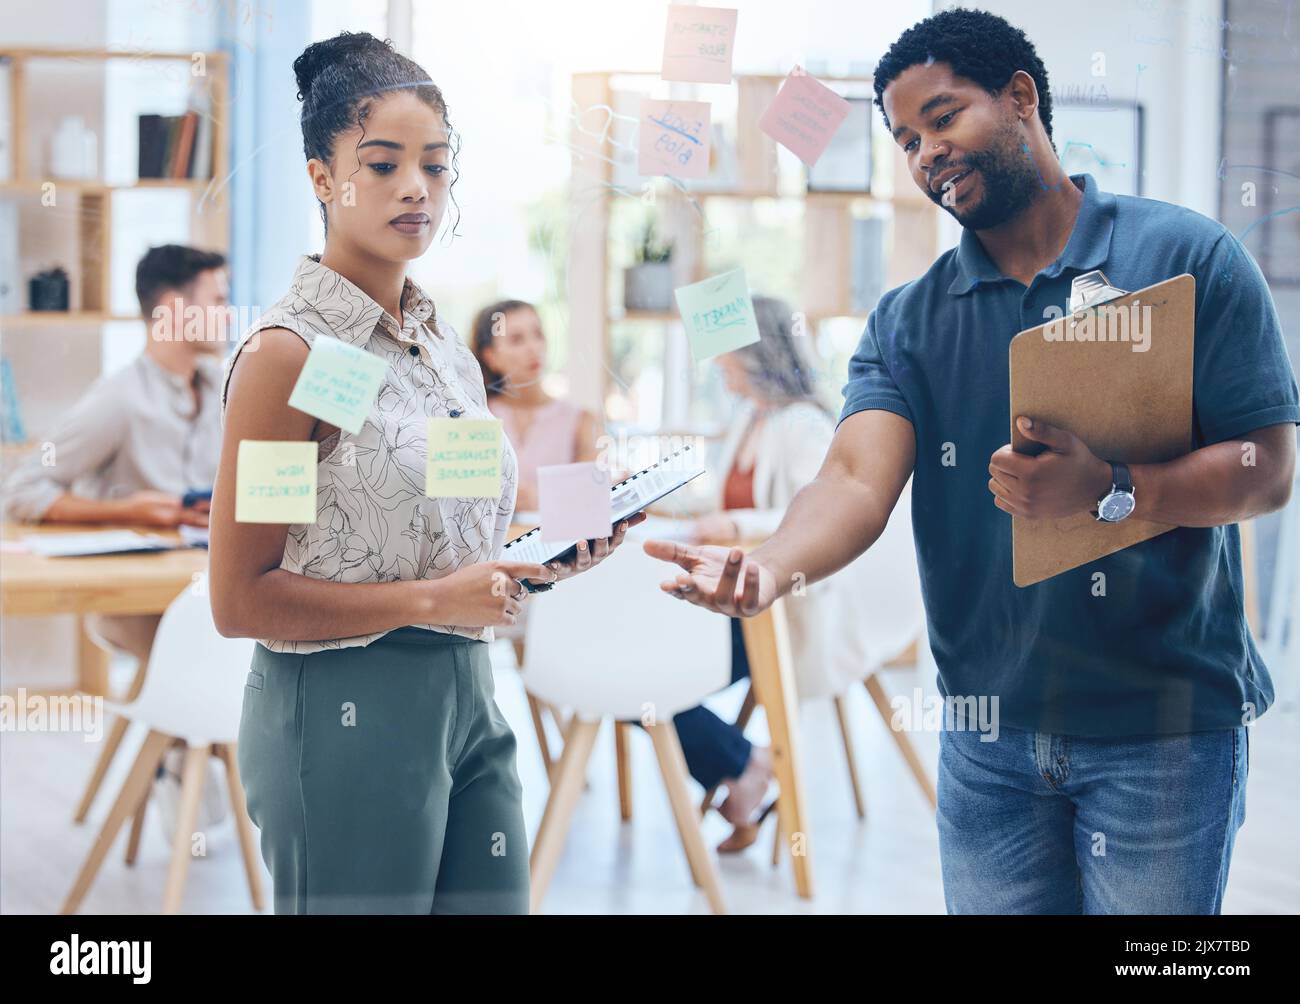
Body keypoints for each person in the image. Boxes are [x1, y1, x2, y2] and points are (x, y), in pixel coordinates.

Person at [646, 7, 1299, 914]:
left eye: (944, 118)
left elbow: (1266, 468)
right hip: (987, 733)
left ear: (1022, 96)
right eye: (907, 140)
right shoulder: (907, 322)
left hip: (1163, 731)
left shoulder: (1184, 256)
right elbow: (851, 481)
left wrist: (1112, 489)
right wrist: (771, 565)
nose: (925, 155)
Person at [209, 31, 642, 915]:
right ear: (321, 178)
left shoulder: (443, 349)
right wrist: (432, 602)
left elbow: (441, 541)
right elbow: (243, 596)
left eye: (436, 166)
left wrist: (539, 559)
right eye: (382, 164)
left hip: (471, 700)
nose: (417, 187)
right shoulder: (289, 359)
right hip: (340, 715)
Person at [3, 243, 228, 665]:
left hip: (210, 589)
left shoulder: (227, 388)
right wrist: (130, 511)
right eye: (217, 300)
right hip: (148, 606)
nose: (230, 314)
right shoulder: (120, 398)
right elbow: (23, 490)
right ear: (173, 309)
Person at [470, 298, 603, 511]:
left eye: (538, 335)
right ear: (491, 356)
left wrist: (541, 499)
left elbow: (592, 502)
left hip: (557, 543)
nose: (534, 348)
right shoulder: (473, 417)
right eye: (516, 339)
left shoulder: (582, 421)